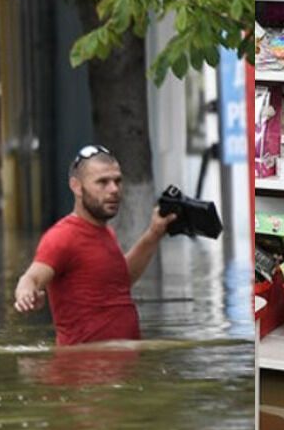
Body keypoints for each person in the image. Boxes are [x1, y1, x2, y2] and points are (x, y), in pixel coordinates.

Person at [13, 145, 177, 345]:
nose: (114, 189)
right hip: (83, 370)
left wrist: (154, 234)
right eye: (103, 182)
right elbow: (31, 277)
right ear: (76, 186)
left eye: (117, 181)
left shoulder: (106, 233)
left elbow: (120, 280)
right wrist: (26, 294)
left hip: (121, 367)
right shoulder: (62, 236)